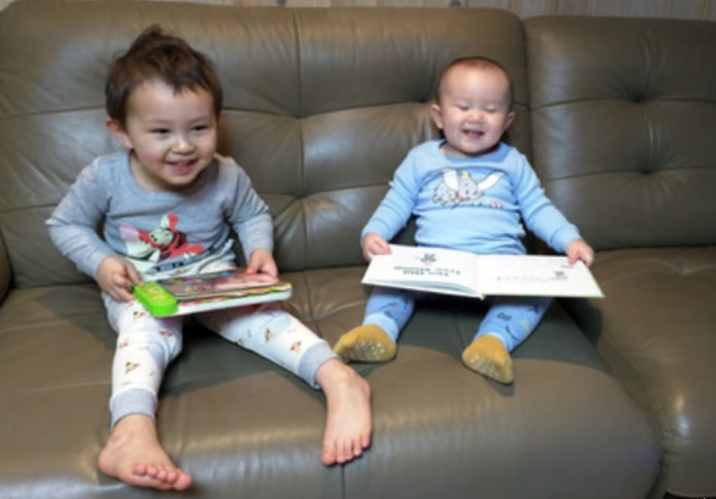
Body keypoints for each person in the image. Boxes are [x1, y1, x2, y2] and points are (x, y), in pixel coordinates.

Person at [46, 25, 371, 491]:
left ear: (216, 121)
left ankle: (339, 379)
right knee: (143, 335)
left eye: (199, 129)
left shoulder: (225, 173)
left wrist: (259, 250)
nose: (183, 146)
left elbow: (252, 214)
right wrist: (101, 263)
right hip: (144, 287)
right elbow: (65, 224)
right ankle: (131, 430)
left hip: (215, 280)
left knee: (264, 316)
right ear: (121, 132)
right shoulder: (105, 176)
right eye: (161, 132)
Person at [333, 56, 594, 385]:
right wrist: (373, 233)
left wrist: (570, 240)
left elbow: (538, 209)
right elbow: (395, 203)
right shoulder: (422, 159)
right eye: (464, 106)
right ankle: (378, 330)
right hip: (433, 267)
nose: (476, 116)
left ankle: (492, 341)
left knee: (538, 293)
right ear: (439, 116)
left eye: (490, 109)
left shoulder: (513, 162)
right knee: (389, 281)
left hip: (499, 269)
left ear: (507, 121)